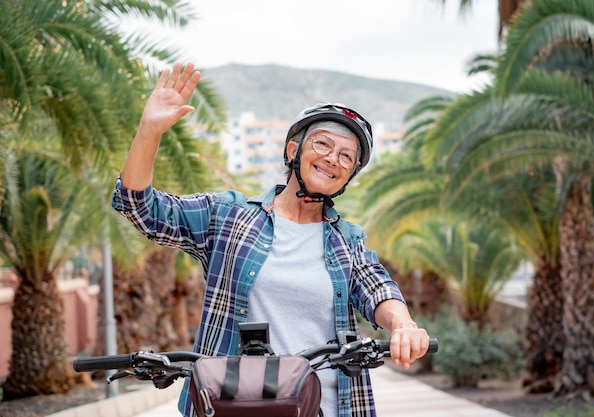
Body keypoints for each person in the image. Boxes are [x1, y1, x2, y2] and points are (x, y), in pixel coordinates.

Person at [112, 62, 431, 417]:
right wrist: (148, 132)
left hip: (326, 407)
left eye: (346, 157)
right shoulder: (229, 217)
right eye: (322, 144)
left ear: (348, 176)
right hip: (232, 405)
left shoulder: (347, 241)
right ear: (293, 151)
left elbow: (378, 288)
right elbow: (141, 208)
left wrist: (404, 325)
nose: (332, 159)